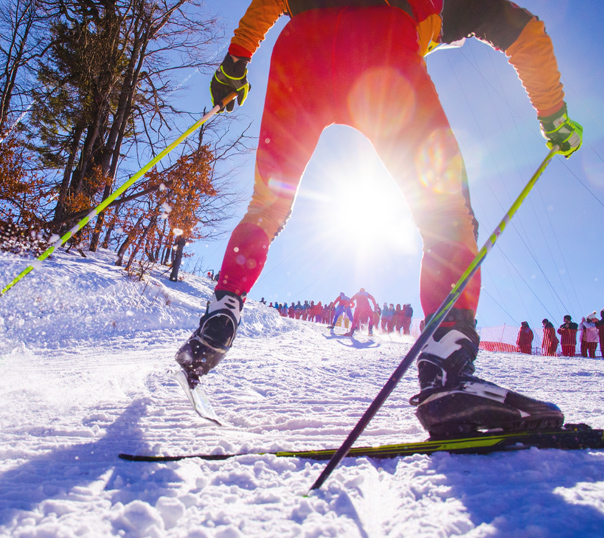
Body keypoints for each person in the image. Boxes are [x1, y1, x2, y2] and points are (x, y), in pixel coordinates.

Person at [175, 0, 580, 436]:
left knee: (268, 204)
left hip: (301, 47)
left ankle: (223, 308)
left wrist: (235, 62)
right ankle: (446, 366)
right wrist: (553, 115)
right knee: (446, 215)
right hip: (383, 48)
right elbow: (524, 31)